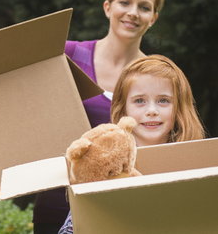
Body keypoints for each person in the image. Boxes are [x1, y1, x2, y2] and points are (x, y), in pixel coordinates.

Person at [0, 0, 165, 233]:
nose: (133, 12)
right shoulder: (69, 55)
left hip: (121, 208)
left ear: (154, 17)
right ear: (108, 7)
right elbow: (10, 72)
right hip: (58, 202)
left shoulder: (156, 75)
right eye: (125, 2)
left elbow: (172, 135)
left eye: (144, 7)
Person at [58, 54, 205, 233]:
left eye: (163, 100)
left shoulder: (196, 165)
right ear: (123, 109)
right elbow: (72, 227)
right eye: (139, 101)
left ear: (179, 108)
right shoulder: (104, 163)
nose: (152, 111)